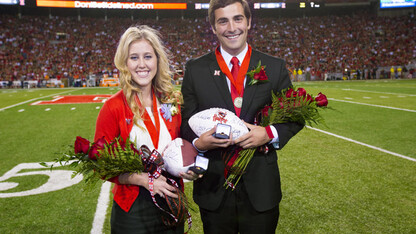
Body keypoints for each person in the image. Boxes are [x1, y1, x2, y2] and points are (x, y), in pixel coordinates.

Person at [180, 0, 304, 233]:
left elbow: (295, 117)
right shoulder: (195, 69)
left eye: (238, 18)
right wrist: (200, 143)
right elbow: (185, 123)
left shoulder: (274, 67)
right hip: (214, 187)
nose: (231, 27)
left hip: (260, 189)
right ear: (213, 28)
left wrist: (268, 134)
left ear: (249, 22)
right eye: (223, 21)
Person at [94, 25, 189, 233]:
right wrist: (141, 179)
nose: (142, 64)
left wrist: (190, 164)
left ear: (157, 60)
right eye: (134, 57)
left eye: (148, 56)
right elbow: (101, 164)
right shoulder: (113, 106)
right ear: (124, 63)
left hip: (172, 200)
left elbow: (183, 144)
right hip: (133, 209)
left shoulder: (171, 100)